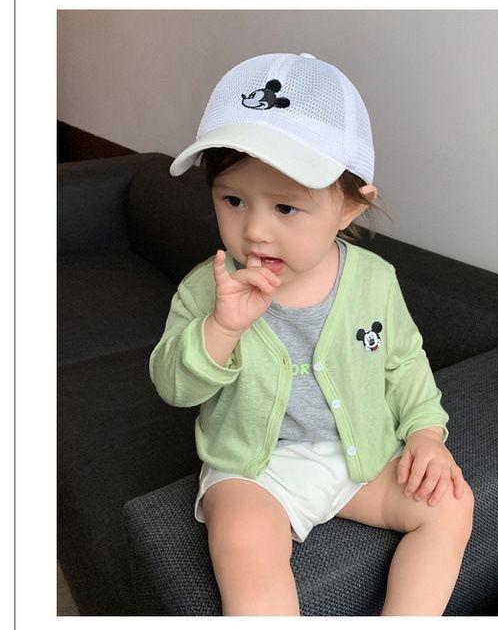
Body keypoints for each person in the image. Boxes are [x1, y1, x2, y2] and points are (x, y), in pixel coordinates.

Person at [149, 52, 474, 616]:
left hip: (364, 455)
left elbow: (403, 362)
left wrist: (426, 435)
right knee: (243, 542)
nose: (255, 230)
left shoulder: (374, 281)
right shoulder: (209, 287)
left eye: (286, 207)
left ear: (350, 207)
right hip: (255, 471)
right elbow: (174, 387)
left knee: (451, 504)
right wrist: (222, 328)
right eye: (232, 200)